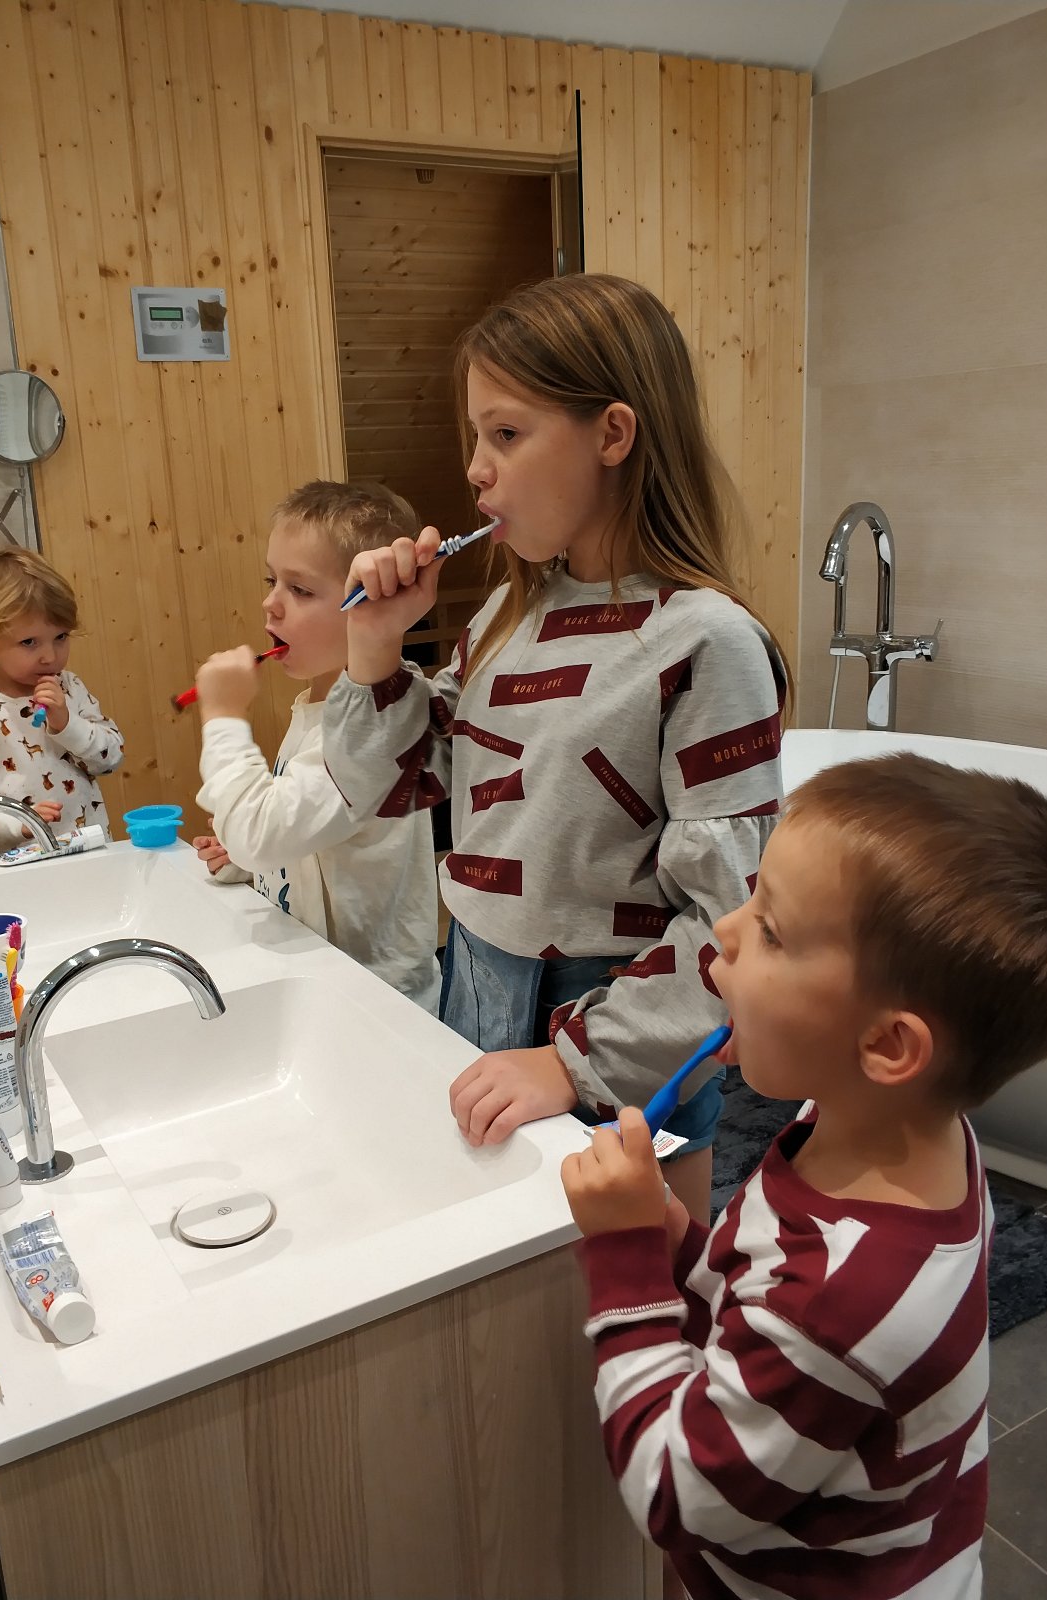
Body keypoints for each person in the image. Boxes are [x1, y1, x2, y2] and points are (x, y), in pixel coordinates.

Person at [321, 273, 787, 1220]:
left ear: (612, 435)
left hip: (621, 1017)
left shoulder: (707, 642)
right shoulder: (506, 614)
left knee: (639, 1277)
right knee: (494, 1264)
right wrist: (374, 649)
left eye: (506, 433)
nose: (475, 471)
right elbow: (393, 785)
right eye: (475, 438)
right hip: (474, 978)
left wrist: (575, 1060)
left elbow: (734, 918)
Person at [561, 753, 1047, 1600]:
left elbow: (676, 1495)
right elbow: (760, 1279)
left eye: (772, 931)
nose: (724, 930)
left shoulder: (842, 1302)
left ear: (887, 1046)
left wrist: (628, 1263)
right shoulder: (893, 1135)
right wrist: (677, 1238)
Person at [192, 480, 440, 1012]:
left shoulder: (381, 722)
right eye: (272, 581)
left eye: (300, 590)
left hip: (377, 1006)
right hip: (322, 980)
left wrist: (224, 718)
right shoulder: (316, 704)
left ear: (375, 603)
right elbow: (307, 833)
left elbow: (262, 832)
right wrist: (252, 860)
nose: (270, 604)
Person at [0, 546, 123, 856]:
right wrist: (19, 822)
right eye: (29, 642)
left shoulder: (70, 688)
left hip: (90, 852)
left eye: (60, 637)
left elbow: (110, 758)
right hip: (17, 865)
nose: (50, 656)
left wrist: (67, 724)